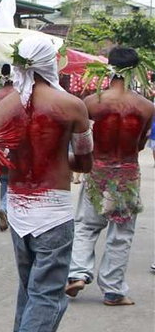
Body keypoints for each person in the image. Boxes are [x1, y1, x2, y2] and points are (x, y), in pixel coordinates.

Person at [0, 34, 92, 332]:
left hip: (17, 207)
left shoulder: (2, 109)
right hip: (53, 208)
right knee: (48, 293)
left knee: (29, 285)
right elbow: (85, 161)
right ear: (50, 63)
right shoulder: (70, 106)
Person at [65, 47, 154, 306]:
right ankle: (113, 290)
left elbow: (81, 139)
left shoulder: (91, 102)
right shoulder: (146, 107)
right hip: (127, 172)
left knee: (86, 225)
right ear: (137, 70)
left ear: (109, 67)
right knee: (121, 233)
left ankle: (77, 274)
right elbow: (139, 145)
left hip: (98, 169)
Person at [0, 64, 16, 231]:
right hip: (16, 139)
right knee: (16, 178)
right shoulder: (20, 95)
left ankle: (4, 212)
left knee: (4, 179)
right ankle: (5, 207)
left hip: (0, 140)